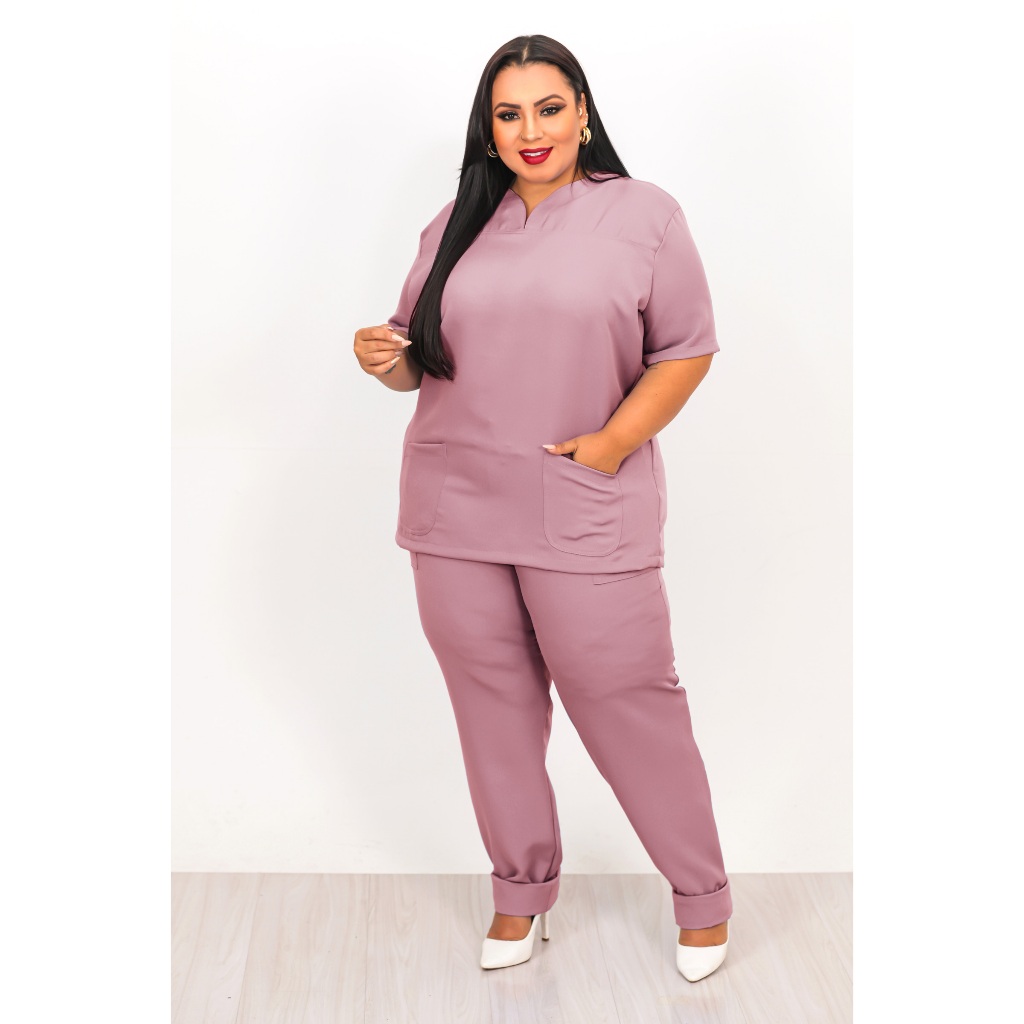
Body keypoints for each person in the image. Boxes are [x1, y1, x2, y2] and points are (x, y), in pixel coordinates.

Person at [353, 34, 732, 982]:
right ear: (488, 128)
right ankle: (520, 893)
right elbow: (418, 357)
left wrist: (610, 442)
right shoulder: (455, 223)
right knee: (493, 713)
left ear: (583, 113)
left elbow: (685, 348)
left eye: (550, 108)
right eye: (509, 113)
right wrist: (385, 359)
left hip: (584, 502)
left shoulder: (643, 216)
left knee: (628, 703)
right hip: (455, 512)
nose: (532, 130)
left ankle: (701, 898)